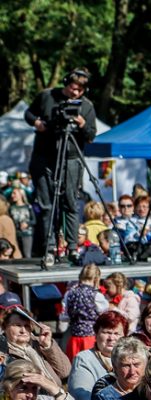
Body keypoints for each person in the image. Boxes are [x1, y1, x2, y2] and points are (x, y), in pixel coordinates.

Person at [25, 67, 97, 263]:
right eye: (73, 88)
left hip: (71, 158)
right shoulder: (47, 96)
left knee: (71, 203)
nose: (75, 93)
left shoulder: (87, 106)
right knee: (47, 205)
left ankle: (72, 247)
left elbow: (91, 136)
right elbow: (28, 114)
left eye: (80, 91)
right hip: (44, 156)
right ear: (66, 83)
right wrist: (37, 123)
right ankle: (49, 248)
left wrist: (81, 123)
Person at [68, 310, 128, 400]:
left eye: (117, 333)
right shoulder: (84, 359)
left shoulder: (132, 359)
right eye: (106, 332)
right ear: (96, 334)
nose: (111, 338)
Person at [1, 308, 71, 383]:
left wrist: (48, 347)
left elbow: (65, 372)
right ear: (5, 327)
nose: (23, 331)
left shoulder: (39, 343)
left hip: (55, 392)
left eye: (27, 326)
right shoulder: (3, 351)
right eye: (18, 325)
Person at [64, 263, 109, 359]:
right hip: (90, 338)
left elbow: (64, 316)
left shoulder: (70, 293)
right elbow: (105, 314)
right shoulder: (97, 295)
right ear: (96, 278)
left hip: (74, 339)